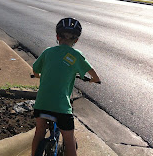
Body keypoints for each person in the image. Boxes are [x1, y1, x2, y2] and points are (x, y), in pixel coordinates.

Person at [31, 17, 101, 156]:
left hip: (41, 104)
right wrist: (93, 80)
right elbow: (95, 76)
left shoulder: (48, 52)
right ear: (76, 40)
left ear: (57, 36)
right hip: (61, 107)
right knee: (69, 139)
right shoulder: (76, 55)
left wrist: (39, 76)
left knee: (39, 132)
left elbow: (35, 69)